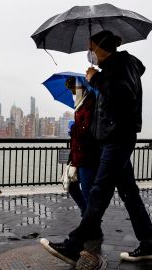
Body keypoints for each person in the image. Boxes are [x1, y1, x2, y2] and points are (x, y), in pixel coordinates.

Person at [40, 30, 152, 268]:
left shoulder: (122, 65)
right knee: (129, 194)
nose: (89, 52)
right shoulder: (116, 68)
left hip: (118, 139)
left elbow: (123, 94)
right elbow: (108, 105)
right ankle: (149, 244)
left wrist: (96, 79)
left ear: (100, 47)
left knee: (98, 193)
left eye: (91, 46)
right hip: (113, 139)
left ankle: (73, 246)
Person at [63, 77, 100, 217]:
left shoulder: (90, 103)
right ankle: (87, 213)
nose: (73, 93)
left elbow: (86, 130)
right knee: (71, 185)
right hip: (77, 153)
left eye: (73, 89)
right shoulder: (79, 105)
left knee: (87, 190)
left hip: (87, 154)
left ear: (80, 87)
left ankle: (91, 222)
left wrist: (73, 128)